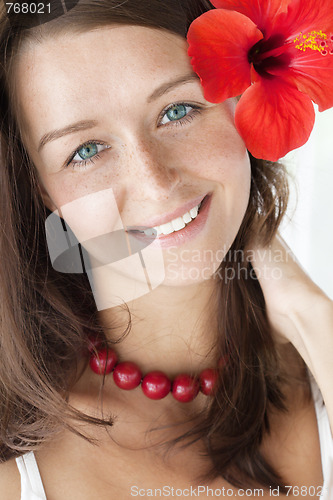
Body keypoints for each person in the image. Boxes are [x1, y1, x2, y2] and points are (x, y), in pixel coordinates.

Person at [0, 0, 332, 498]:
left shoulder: (320, 355)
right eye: (85, 150)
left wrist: (313, 317)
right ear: (42, 189)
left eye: (178, 110)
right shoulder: (15, 471)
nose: (155, 184)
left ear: (241, 100)